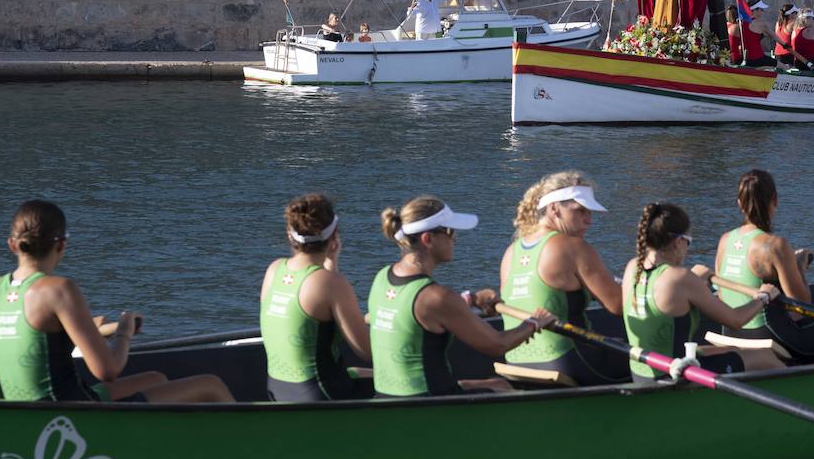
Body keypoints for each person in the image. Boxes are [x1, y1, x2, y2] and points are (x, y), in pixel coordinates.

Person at [0, 200, 232, 403]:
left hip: (24, 410)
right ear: (62, 245)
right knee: (210, 384)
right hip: (72, 413)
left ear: (12, 244)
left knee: (155, 378)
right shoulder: (59, 289)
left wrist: (102, 329)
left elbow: (38, 342)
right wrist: (123, 333)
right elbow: (108, 370)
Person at [371, 196, 554, 397]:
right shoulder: (436, 297)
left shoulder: (382, 277)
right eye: (449, 231)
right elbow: (497, 344)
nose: (454, 238)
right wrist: (535, 323)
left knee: (499, 384)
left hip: (388, 396)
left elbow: (423, 312)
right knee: (507, 390)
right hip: (430, 403)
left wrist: (470, 300)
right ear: (428, 239)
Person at [623, 203, 783, 382]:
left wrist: (695, 281)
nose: (687, 249)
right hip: (674, 377)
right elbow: (735, 320)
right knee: (764, 357)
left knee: (731, 349)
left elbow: (670, 293)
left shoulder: (632, 268)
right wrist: (764, 296)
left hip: (642, 373)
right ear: (678, 242)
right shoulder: (681, 278)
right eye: (688, 242)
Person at [497, 172, 628, 385]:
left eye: (590, 212)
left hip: (515, 361)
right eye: (580, 211)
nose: (589, 220)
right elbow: (619, 305)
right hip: (568, 361)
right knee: (678, 358)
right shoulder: (572, 246)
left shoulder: (511, 252)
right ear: (554, 209)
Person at [259, 193, 371, 401]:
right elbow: (367, 351)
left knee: (360, 372)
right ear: (334, 236)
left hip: (279, 390)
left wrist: (330, 265)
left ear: (289, 234)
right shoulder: (331, 284)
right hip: (321, 396)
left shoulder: (274, 270)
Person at [713, 169, 814, 362]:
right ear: (774, 200)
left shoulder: (725, 240)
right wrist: (800, 266)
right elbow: (802, 304)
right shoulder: (775, 245)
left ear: (739, 204)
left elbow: (722, 294)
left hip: (731, 333)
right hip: (767, 336)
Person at [738, 0, 775, 68]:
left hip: (748, 57)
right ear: (755, 10)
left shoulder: (742, 22)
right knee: (781, 67)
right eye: (761, 10)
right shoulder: (758, 23)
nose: (762, 12)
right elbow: (775, 38)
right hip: (756, 57)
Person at [774, 3, 800, 69]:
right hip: (788, 55)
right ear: (791, 14)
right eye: (796, 13)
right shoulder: (793, 23)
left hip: (777, 55)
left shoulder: (778, 23)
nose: (797, 15)